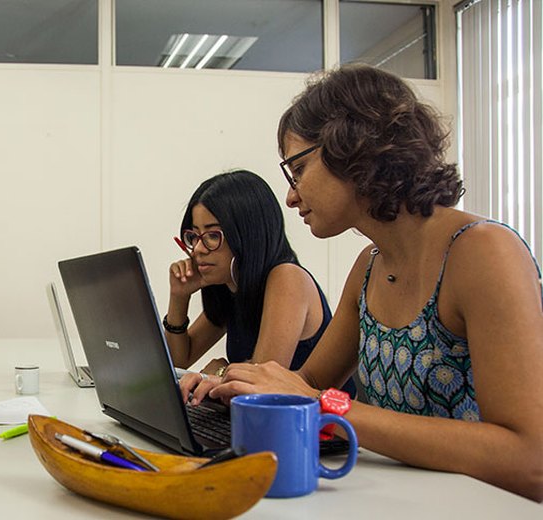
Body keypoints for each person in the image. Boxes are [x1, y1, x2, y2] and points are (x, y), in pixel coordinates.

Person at [207, 65, 543, 501]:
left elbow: (530, 459)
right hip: (405, 502)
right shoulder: (368, 266)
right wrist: (234, 388)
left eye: (299, 169)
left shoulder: (483, 252)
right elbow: (304, 384)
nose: (291, 195)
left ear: (355, 149)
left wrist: (327, 403)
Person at [164, 170, 353, 405]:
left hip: (322, 431)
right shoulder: (230, 286)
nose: (199, 249)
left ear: (247, 235)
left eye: (212, 235)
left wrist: (222, 371)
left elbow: (258, 387)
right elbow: (178, 360)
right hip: (268, 423)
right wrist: (179, 297)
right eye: (194, 236)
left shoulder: (287, 277)